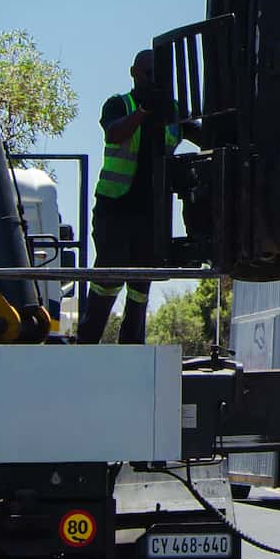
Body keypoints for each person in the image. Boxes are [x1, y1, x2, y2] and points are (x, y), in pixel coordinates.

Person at [78, 50, 178, 344]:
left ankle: (132, 350)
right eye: (148, 74)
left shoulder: (171, 109)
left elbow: (188, 134)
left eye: (157, 75)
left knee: (141, 284)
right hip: (115, 207)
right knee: (108, 276)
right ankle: (86, 344)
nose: (153, 80)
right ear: (134, 72)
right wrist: (143, 111)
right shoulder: (118, 104)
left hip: (151, 211)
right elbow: (113, 133)